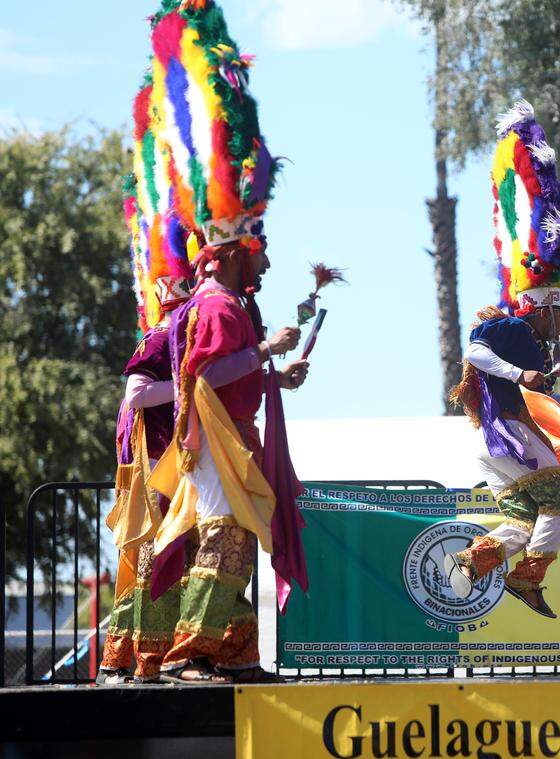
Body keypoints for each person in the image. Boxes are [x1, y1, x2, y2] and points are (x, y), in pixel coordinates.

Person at [136, 0, 309, 683]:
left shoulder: (234, 303)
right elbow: (203, 377)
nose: (266, 260)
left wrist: (273, 376)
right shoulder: (215, 305)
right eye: (259, 249)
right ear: (236, 251)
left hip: (234, 435)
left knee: (239, 538)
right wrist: (263, 358)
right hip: (213, 444)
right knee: (224, 536)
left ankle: (233, 652)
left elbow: (232, 372)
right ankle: (192, 654)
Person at [445, 100, 560, 619]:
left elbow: (543, 394)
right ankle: (527, 578)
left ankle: (470, 562)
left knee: (524, 523)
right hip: (508, 436)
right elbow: (474, 350)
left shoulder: (532, 342)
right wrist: (522, 372)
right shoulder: (510, 326)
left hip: (500, 443)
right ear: (544, 307)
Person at [99, 274, 192, 684]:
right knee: (150, 562)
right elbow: (136, 395)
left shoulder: (181, 339)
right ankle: (135, 661)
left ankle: (151, 658)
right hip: (156, 465)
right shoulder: (159, 339)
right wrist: (189, 388)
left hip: (176, 464)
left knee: (167, 563)